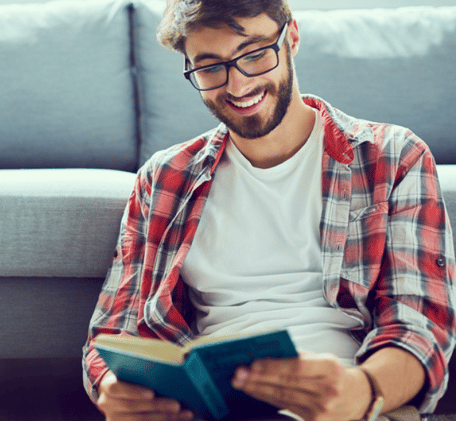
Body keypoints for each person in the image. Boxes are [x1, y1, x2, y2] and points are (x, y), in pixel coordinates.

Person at [81, 1, 456, 420]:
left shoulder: (393, 157)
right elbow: (115, 330)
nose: (238, 85)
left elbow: (420, 325)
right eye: (209, 67)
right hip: (210, 408)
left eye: (255, 54)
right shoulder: (165, 179)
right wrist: (113, 390)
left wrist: (364, 390)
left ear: (291, 37)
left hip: (346, 399)